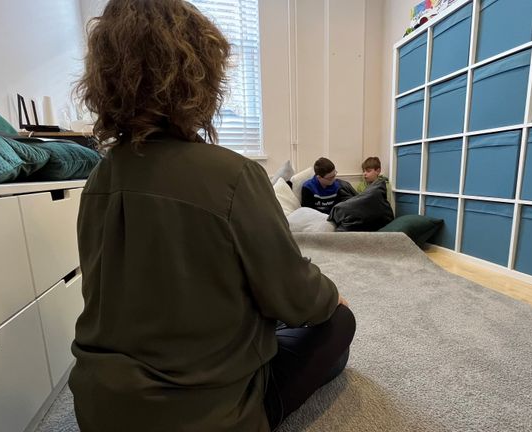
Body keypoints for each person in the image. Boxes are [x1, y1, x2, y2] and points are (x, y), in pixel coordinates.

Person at [68, 1, 356, 431]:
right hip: (209, 417)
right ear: (199, 76)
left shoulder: (98, 178)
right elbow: (296, 298)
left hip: (101, 409)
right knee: (337, 324)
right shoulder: (233, 174)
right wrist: (331, 297)